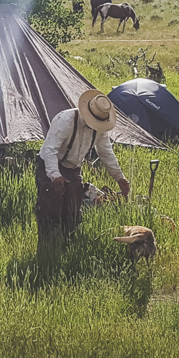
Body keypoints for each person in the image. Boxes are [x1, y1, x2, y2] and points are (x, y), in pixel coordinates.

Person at [36, 90, 131, 252]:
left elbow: (106, 153)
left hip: (73, 169)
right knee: (50, 212)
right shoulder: (64, 120)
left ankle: (69, 250)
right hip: (50, 166)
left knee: (73, 212)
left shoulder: (100, 128)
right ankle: (48, 253)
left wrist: (119, 178)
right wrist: (55, 176)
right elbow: (49, 151)